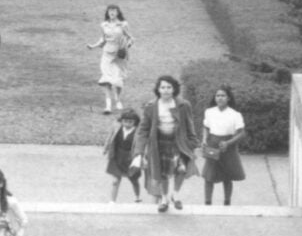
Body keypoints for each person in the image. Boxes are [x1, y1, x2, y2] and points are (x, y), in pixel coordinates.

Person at [131, 76, 201, 213]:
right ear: (158, 89)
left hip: (178, 143)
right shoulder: (151, 106)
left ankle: (175, 194)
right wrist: (139, 152)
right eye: (163, 87)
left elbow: (189, 124)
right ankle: (164, 199)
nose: (166, 90)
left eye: (169, 87)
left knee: (181, 169)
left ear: (174, 89)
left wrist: (193, 142)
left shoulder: (183, 105)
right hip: (159, 144)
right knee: (162, 173)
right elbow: (143, 130)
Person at [200, 85, 248, 207]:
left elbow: (242, 133)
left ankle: (227, 203)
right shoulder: (209, 112)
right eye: (218, 96)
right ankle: (207, 203)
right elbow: (206, 127)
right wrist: (204, 139)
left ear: (228, 98)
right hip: (213, 144)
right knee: (209, 175)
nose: (220, 98)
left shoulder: (235, 114)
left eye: (223, 96)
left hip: (228, 146)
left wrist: (228, 142)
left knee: (227, 176)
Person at [86, 6, 133, 114]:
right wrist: (93, 46)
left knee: (118, 80)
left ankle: (118, 100)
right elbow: (103, 39)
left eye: (114, 11)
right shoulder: (104, 25)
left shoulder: (123, 24)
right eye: (110, 11)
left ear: (118, 13)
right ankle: (108, 106)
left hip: (120, 56)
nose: (112, 12)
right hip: (107, 54)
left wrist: (127, 46)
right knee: (106, 79)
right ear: (107, 13)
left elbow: (131, 38)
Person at [102, 111, 142, 204]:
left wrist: (141, 156)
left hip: (131, 158)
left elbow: (142, 144)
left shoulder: (138, 132)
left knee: (133, 179)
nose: (127, 123)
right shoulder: (117, 128)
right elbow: (110, 138)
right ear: (122, 121)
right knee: (115, 180)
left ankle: (137, 196)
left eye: (130, 122)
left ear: (135, 122)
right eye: (125, 121)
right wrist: (106, 148)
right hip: (117, 156)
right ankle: (112, 201)